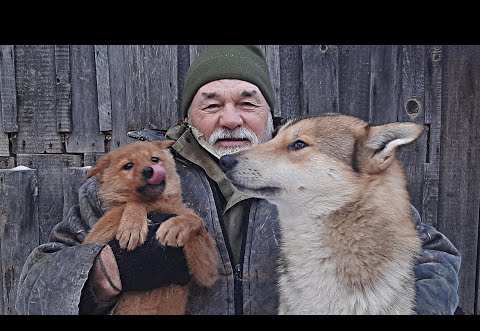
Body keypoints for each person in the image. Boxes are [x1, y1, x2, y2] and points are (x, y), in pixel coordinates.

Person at [15, 45, 461, 315]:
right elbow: (35, 286)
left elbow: (436, 256)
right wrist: (101, 274)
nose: (230, 119)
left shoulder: (321, 171)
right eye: (211, 104)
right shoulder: (130, 178)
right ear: (189, 114)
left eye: (247, 101)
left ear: (268, 110)